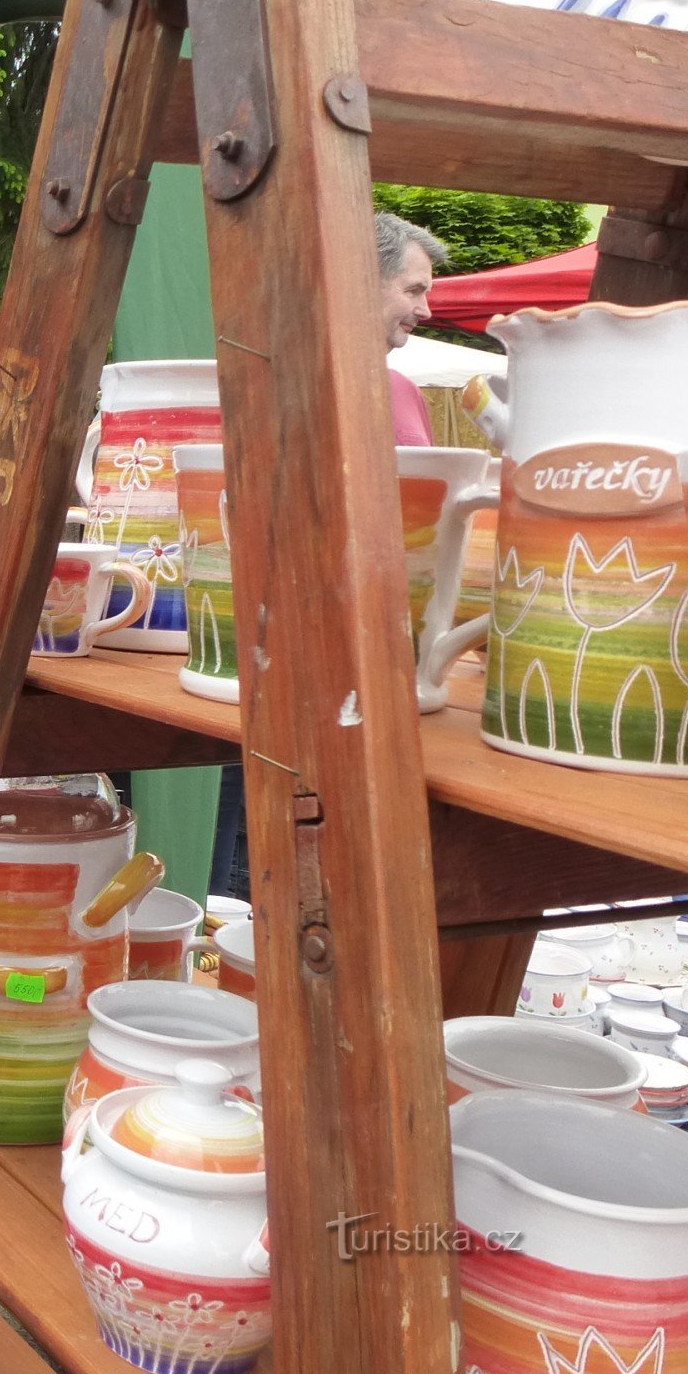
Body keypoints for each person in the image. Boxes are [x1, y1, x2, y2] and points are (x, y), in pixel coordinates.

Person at [205, 210, 453, 896]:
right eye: (412, 290)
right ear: (354, 279)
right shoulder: (269, 374)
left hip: (367, 673)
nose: (426, 310)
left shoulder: (399, 390)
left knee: (323, 874)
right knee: (244, 880)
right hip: (277, 666)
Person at [376, 211, 441, 447]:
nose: (426, 311)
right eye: (414, 290)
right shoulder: (300, 388)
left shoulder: (405, 390)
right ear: (362, 281)